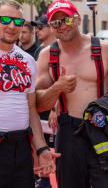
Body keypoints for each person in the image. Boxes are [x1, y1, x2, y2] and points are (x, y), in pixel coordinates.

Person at [35, 0, 108, 188]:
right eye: (56, 23)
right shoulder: (47, 56)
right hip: (68, 133)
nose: (62, 26)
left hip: (103, 130)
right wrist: (57, 88)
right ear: (51, 27)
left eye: (67, 19)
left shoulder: (104, 49)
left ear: (78, 19)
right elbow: (39, 104)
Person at [0, 0, 60, 188]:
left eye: (18, 22)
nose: (12, 26)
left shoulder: (27, 60)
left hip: (22, 147)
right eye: (5, 20)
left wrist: (42, 149)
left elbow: (31, 108)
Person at [31, 15, 57, 188]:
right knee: (38, 146)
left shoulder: (61, 48)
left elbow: (63, 82)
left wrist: (56, 108)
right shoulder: (40, 50)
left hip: (56, 111)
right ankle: (43, 180)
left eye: (41, 27)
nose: (37, 31)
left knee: (57, 150)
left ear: (51, 28)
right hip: (40, 109)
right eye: (36, 28)